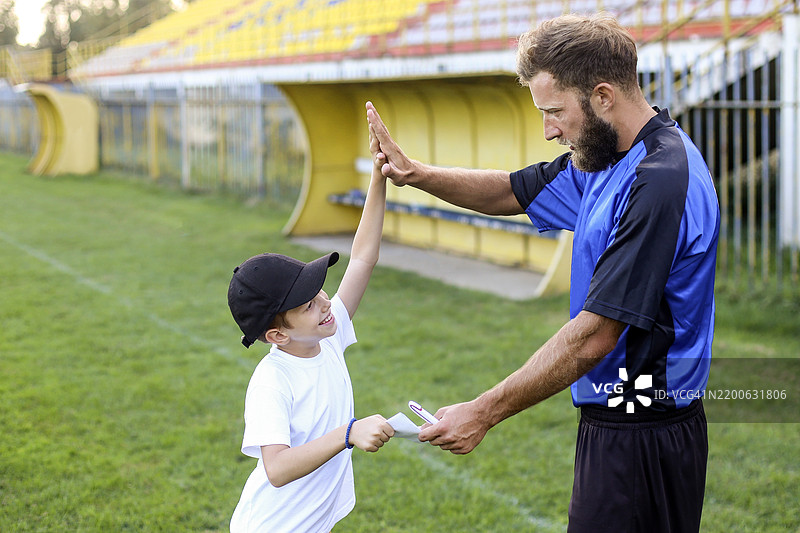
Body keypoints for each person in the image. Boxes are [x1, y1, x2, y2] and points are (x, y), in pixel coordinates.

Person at [367, 13, 719, 533]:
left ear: (602, 97)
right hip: (614, 424)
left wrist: (483, 411)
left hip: (644, 429)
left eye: (554, 112)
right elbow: (512, 191)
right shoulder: (607, 158)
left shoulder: (660, 180)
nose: (549, 129)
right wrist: (414, 174)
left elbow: (595, 335)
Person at [226, 107, 394, 533]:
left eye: (318, 290)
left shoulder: (325, 336)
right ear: (277, 335)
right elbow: (277, 468)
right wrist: (347, 433)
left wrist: (379, 177)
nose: (324, 303)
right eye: (306, 305)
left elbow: (362, 258)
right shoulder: (272, 382)